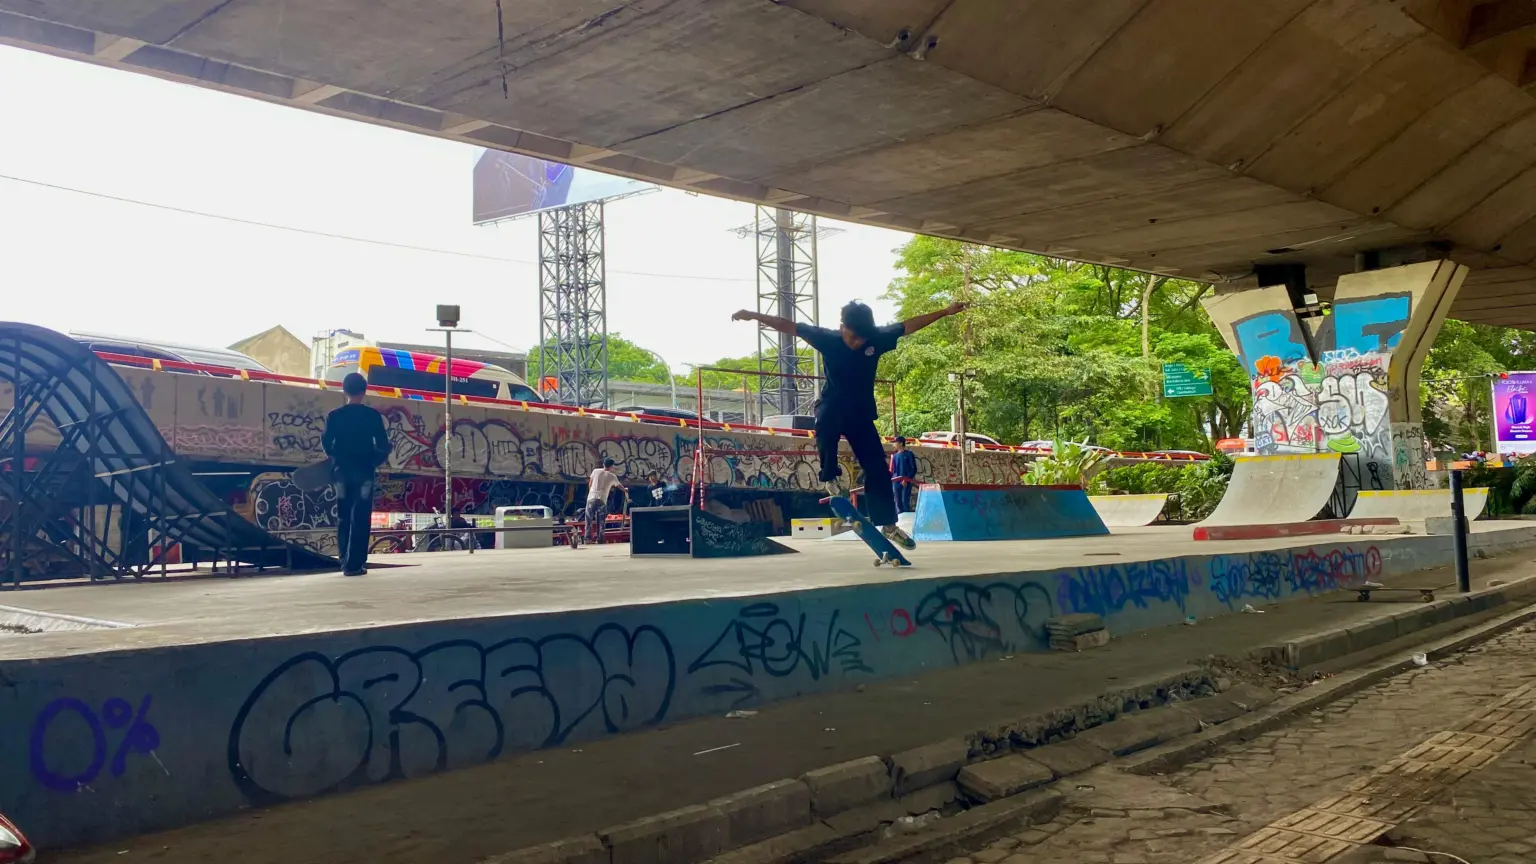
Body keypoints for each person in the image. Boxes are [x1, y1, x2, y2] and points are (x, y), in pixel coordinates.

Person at [732, 299, 967, 549]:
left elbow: (909, 325)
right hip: (832, 406)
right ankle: (830, 477)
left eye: (861, 340)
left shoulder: (877, 337)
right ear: (842, 327)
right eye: (853, 338)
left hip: (860, 414)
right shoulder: (826, 338)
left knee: (878, 468)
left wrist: (945, 312)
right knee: (825, 421)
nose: (857, 343)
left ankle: (889, 525)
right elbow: (788, 325)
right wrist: (754, 315)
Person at [321, 372, 392, 576]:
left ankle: (344, 560)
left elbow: (326, 442)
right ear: (364, 391)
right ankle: (355, 564)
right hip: (364, 472)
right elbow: (383, 444)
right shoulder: (372, 416)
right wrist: (374, 460)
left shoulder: (334, 415)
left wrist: (335, 459)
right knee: (360, 516)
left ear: (344, 390)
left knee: (343, 515)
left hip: (341, 472)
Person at [584, 457, 626, 544]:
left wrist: (590, 493)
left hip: (591, 498)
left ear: (603, 464)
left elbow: (590, 483)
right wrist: (625, 490)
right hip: (602, 500)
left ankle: (587, 539)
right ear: (612, 466)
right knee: (601, 520)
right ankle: (600, 539)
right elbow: (619, 486)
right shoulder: (613, 476)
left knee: (588, 519)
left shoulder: (595, 471)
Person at [890, 436, 918, 514]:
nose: (894, 445)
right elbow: (894, 470)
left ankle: (907, 517)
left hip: (906, 482)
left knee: (904, 501)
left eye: (895, 443)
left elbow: (913, 469)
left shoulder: (909, 454)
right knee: (898, 502)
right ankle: (899, 517)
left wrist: (906, 480)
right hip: (896, 482)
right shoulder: (895, 456)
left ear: (901, 443)